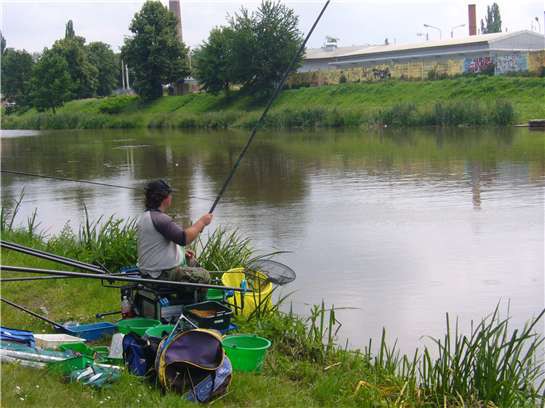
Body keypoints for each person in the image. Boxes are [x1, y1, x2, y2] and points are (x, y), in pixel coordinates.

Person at [137, 179, 213, 288]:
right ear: (165, 198)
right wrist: (202, 222)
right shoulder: (160, 219)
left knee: (192, 262)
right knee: (204, 275)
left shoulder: (145, 217)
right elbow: (183, 238)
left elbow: (156, 245)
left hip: (149, 273)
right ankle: (196, 303)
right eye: (170, 194)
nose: (171, 197)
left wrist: (181, 252)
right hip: (160, 276)